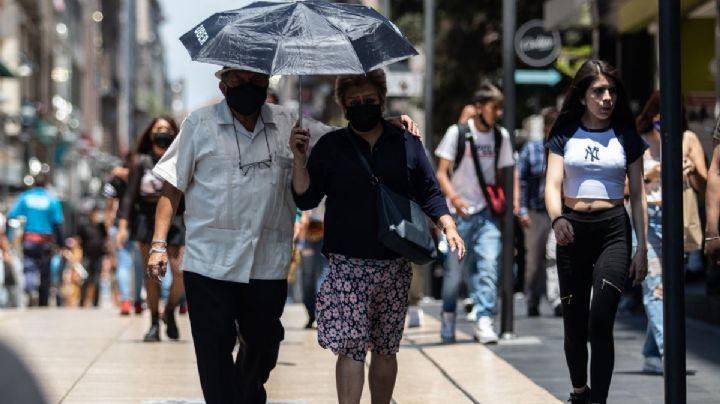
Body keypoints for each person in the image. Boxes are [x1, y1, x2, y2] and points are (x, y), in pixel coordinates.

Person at [147, 66, 420, 404]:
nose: (247, 85)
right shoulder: (198, 125)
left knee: (264, 343)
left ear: (267, 82)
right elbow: (172, 188)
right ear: (223, 83)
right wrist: (158, 245)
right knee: (214, 349)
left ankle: (245, 394)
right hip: (209, 262)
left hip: (267, 260)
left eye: (256, 79)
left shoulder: (289, 122)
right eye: (237, 80)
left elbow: (343, 137)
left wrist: (386, 124)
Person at [290, 69, 464, 404]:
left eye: (369, 100)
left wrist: (449, 225)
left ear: (382, 101)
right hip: (347, 263)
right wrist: (300, 160)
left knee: (386, 347)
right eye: (353, 102)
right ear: (342, 106)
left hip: (395, 261)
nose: (361, 106)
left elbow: (429, 189)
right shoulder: (331, 145)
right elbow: (306, 198)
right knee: (352, 348)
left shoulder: (405, 140)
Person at [545, 60, 648, 404]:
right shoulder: (564, 133)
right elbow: (552, 184)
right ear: (582, 95)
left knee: (600, 319)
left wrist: (642, 249)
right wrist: (558, 219)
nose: (607, 98)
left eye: (612, 92)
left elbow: (638, 197)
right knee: (574, 323)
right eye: (598, 91)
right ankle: (579, 393)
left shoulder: (627, 137)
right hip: (572, 231)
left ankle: (599, 400)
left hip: (613, 232)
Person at [434, 83, 514, 344]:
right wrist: (453, 199)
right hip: (458, 216)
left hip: (487, 213)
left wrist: (508, 206)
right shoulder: (457, 133)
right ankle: (448, 318)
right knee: (454, 274)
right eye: (495, 107)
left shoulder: (501, 136)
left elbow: (504, 175)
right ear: (479, 108)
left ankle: (484, 320)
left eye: (501, 108)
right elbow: (441, 173)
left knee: (489, 266)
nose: (499, 113)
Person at [636, 92, 706, 373]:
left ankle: (651, 353)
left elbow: (705, 182)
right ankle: (670, 354)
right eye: (657, 121)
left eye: (669, 121)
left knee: (672, 289)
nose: (663, 127)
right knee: (656, 288)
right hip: (646, 217)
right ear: (650, 117)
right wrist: (649, 175)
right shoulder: (637, 141)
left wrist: (689, 171)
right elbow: (624, 187)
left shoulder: (687, 139)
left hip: (677, 218)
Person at [116, 117, 185, 341]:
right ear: (150, 133)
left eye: (167, 129)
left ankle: (171, 309)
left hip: (176, 220)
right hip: (146, 221)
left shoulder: (180, 159)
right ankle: (154, 322)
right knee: (152, 276)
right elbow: (129, 196)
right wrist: (123, 226)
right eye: (158, 129)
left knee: (181, 272)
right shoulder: (140, 161)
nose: (163, 132)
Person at [518, 107, 559, 316]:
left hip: (559, 212)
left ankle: (557, 299)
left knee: (556, 256)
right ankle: (532, 299)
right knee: (533, 260)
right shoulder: (532, 149)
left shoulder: (565, 149)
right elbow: (521, 181)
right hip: (536, 211)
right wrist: (522, 210)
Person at [8, 173, 64, 306]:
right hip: (45, 242)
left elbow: (12, 215)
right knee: (45, 272)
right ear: (46, 184)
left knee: (29, 266)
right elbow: (58, 223)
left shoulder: (25, 197)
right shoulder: (52, 199)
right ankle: (42, 301)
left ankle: (31, 289)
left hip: (29, 240)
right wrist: (61, 243)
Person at [102, 165, 144, 315]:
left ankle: (125, 301)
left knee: (124, 265)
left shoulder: (115, 181)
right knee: (140, 266)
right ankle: (138, 301)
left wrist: (108, 230)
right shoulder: (142, 176)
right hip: (140, 226)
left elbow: (108, 208)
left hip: (119, 226)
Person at [76, 204, 109, 307]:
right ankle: (82, 301)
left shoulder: (101, 226)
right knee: (85, 278)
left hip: (99, 256)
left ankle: (95, 302)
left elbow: (106, 239)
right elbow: (78, 239)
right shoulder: (84, 225)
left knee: (97, 279)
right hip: (87, 255)